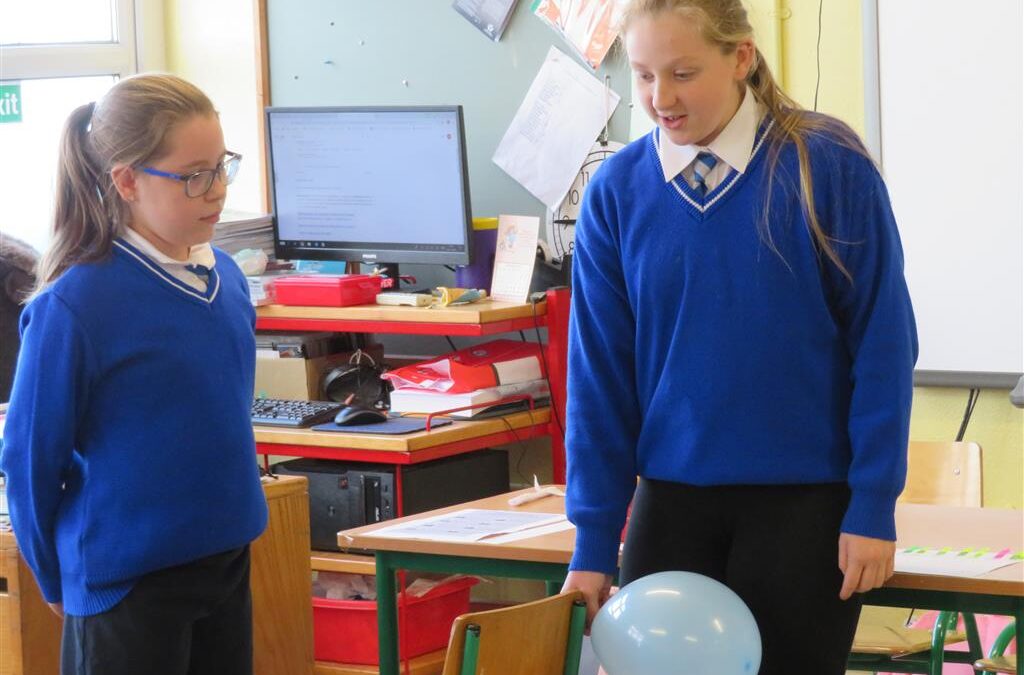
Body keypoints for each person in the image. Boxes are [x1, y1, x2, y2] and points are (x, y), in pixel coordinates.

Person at [561, 1, 918, 672]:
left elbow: (884, 346)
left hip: (806, 510)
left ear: (741, 58)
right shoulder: (615, 192)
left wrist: (873, 502)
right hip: (670, 508)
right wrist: (593, 540)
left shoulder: (827, 164)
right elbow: (599, 379)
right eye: (643, 75)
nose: (661, 98)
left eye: (683, 73)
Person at [0, 73, 268, 675]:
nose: (217, 189)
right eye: (193, 176)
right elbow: (30, 458)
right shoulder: (76, 303)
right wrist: (52, 576)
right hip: (126, 583)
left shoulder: (226, 277)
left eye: (221, 166)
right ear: (126, 181)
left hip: (224, 560)